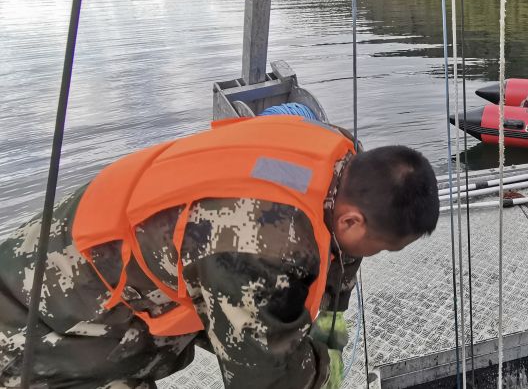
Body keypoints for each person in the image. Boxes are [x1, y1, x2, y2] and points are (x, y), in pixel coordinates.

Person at [0, 114, 440, 389]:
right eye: (381, 248)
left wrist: (330, 336)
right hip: (42, 308)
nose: (375, 256)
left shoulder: (342, 160)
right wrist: (320, 373)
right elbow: (260, 375)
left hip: (94, 246)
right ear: (351, 222)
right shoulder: (262, 249)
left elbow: (339, 262)